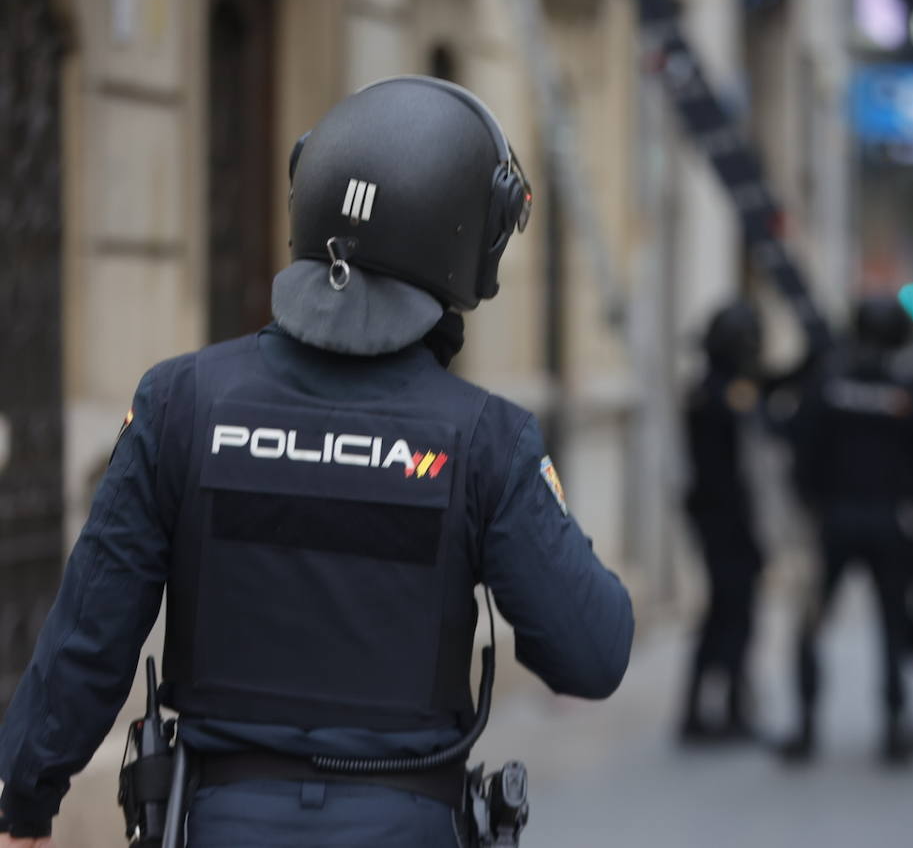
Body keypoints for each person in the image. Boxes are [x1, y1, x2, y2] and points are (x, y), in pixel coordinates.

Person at [0, 76, 634, 846]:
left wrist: (25, 802)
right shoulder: (487, 442)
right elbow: (592, 653)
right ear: (465, 241)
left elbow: (87, 639)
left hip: (218, 822)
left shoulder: (180, 404)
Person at [780, 296, 913, 765]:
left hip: (835, 520)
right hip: (889, 519)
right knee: (893, 625)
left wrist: (812, 503)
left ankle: (805, 726)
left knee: (811, 625)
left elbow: (801, 448)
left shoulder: (828, 382)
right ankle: (895, 727)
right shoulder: (907, 386)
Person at [678, 301, 766, 743]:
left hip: (725, 518)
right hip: (723, 520)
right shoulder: (717, 394)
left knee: (728, 614)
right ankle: (719, 709)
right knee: (730, 615)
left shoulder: (718, 388)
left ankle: (716, 707)